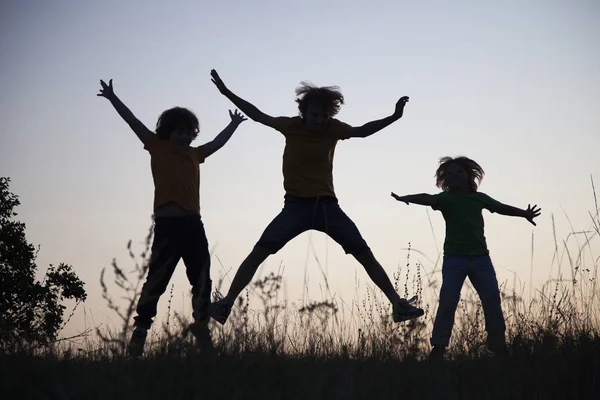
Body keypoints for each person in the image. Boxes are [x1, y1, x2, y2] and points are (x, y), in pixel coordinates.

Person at [208, 69, 424, 325]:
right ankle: (226, 304)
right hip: (295, 207)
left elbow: (363, 131)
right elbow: (257, 115)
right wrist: (226, 92)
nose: (320, 120)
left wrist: (394, 116)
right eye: (315, 115)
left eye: (324, 115)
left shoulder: (333, 129)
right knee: (260, 251)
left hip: (328, 208)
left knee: (363, 253)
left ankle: (397, 305)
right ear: (304, 112)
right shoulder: (291, 126)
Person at [97, 78, 247, 357]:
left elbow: (217, 143)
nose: (184, 135)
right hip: (167, 225)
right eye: (178, 131)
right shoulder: (157, 146)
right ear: (168, 132)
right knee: (157, 278)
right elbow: (133, 122)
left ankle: (201, 329)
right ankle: (141, 329)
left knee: (201, 279)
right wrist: (113, 98)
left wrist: (233, 125)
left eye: (189, 131)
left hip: (193, 225)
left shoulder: (195, 154)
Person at [391, 156, 541, 359]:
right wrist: (406, 197)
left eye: (459, 172)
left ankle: (498, 346)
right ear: (445, 179)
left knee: (491, 300)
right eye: (449, 173)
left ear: (469, 176)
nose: (454, 175)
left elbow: (500, 207)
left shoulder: (479, 199)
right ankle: (439, 347)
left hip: (480, 259)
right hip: (454, 259)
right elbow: (428, 198)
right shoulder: (445, 199)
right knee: (448, 300)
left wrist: (524, 213)